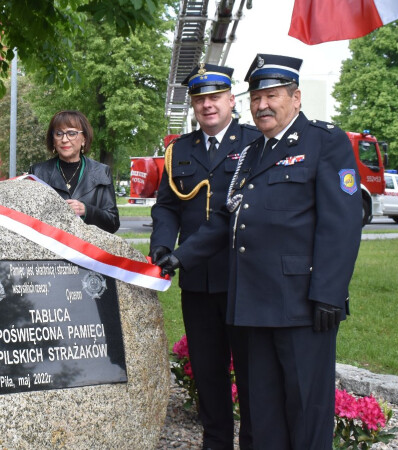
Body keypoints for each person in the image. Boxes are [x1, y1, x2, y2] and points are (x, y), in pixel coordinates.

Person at [156, 54, 362, 449]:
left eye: (272, 96)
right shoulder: (254, 154)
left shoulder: (325, 142)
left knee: (305, 407)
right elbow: (225, 219)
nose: (262, 105)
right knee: (263, 411)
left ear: (295, 97)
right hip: (253, 303)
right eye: (257, 97)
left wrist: (329, 293)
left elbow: (342, 224)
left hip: (303, 306)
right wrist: (180, 257)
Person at [150, 64, 260, 450]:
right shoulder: (179, 149)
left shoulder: (254, 143)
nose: (207, 106)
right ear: (194, 106)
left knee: (250, 374)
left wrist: (181, 255)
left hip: (242, 278)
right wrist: (162, 246)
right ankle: (215, 443)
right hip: (197, 282)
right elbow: (166, 207)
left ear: (232, 100)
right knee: (209, 373)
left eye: (215, 97)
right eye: (200, 100)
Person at [29, 110, 120, 233]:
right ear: (53, 140)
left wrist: (87, 210)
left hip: (87, 249)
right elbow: (30, 219)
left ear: (84, 139)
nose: (65, 139)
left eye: (72, 133)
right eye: (59, 133)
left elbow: (113, 223)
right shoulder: (38, 172)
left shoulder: (102, 172)